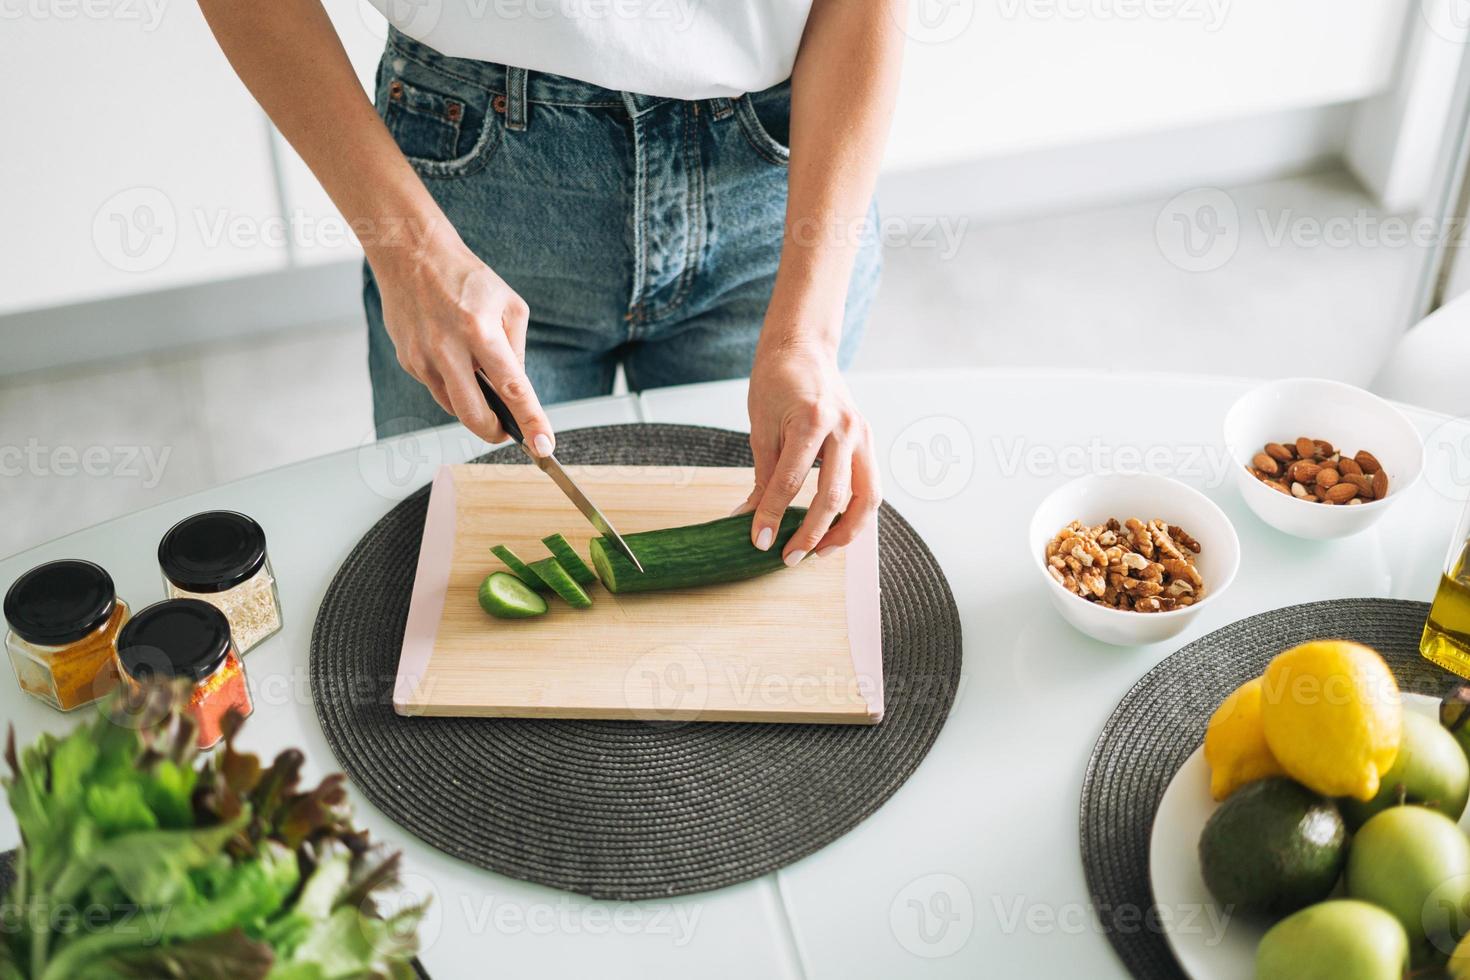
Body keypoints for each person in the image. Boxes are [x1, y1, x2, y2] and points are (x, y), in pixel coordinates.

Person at [199, 0, 903, 562]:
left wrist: (805, 336)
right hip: (470, 196)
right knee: (455, 577)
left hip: (781, 187)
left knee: (775, 553)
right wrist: (410, 252)